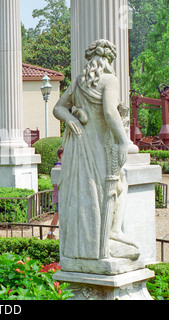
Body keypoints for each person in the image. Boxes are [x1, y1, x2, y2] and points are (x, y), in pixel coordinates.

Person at [52, 39, 136, 261]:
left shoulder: (79, 83)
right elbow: (110, 112)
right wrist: (124, 141)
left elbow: (58, 107)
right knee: (117, 187)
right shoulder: (110, 80)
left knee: (83, 192)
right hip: (100, 146)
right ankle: (110, 236)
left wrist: (70, 118)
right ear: (109, 61)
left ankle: (83, 247)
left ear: (91, 60)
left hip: (78, 146)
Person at [47, 146, 63, 240]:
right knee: (58, 214)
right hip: (59, 196)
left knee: (57, 214)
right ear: (61, 155)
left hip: (60, 196)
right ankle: (50, 233)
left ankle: (50, 233)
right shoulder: (58, 167)